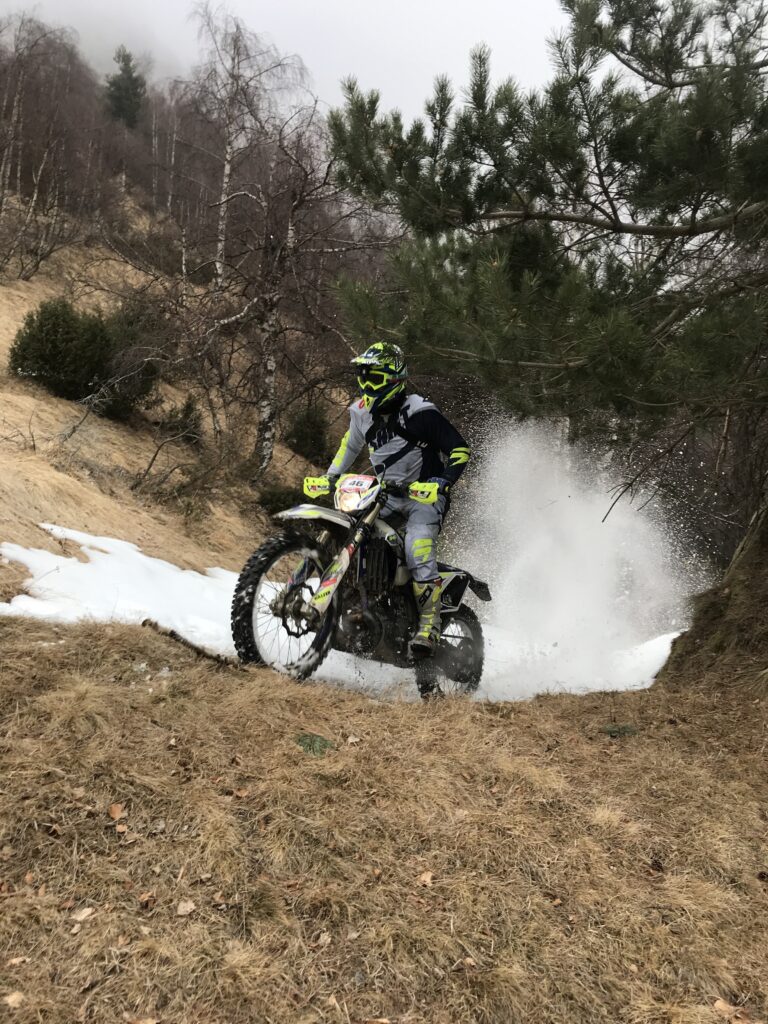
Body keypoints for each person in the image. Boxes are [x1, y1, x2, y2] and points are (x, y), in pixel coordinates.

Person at [303, 342, 471, 656]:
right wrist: (329, 477)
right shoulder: (361, 412)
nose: (366, 385)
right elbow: (348, 448)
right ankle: (358, 604)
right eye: (363, 377)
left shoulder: (421, 412)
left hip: (424, 497)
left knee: (416, 548)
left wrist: (443, 482)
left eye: (374, 378)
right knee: (350, 531)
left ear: (394, 379)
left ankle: (429, 626)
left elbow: (460, 450)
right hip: (385, 495)